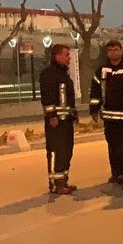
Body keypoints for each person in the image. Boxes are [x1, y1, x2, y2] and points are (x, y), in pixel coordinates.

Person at [88, 40, 123, 184]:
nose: (113, 52)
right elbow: (95, 91)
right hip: (108, 115)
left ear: (121, 51)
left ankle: (122, 173)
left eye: (116, 49)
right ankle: (115, 173)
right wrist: (94, 109)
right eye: (111, 50)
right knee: (112, 146)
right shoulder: (101, 70)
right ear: (107, 53)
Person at [39, 43, 78, 195]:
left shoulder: (63, 74)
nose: (69, 58)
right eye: (67, 55)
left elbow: (68, 99)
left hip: (66, 120)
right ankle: (55, 184)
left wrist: (73, 114)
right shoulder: (49, 74)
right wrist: (51, 115)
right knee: (56, 151)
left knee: (66, 151)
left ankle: (63, 180)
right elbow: (47, 97)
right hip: (56, 122)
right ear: (58, 56)